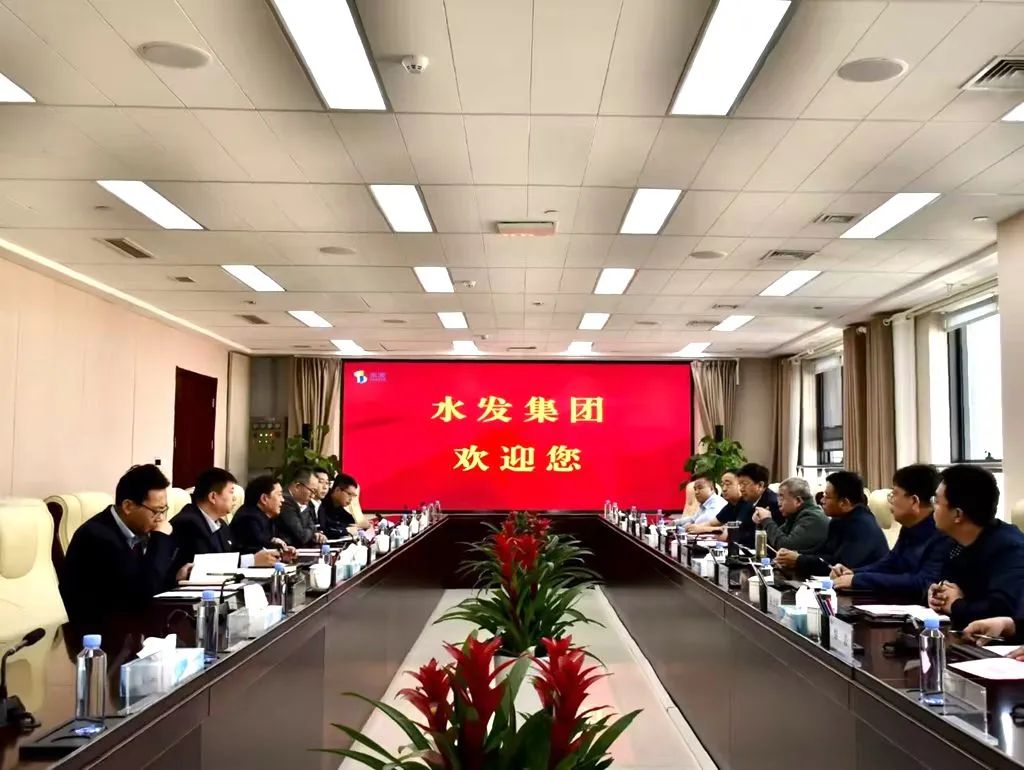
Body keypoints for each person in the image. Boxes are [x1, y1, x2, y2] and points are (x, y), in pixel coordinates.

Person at [60, 464, 189, 626]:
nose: (161, 518)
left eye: (164, 510)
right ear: (128, 506)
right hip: (100, 632)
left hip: (131, 625)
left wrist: (176, 577)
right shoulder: (98, 537)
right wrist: (160, 538)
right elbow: (143, 592)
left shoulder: (136, 531)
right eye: (156, 511)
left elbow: (146, 578)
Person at [830, 464, 951, 597]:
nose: (890, 501)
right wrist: (853, 573)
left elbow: (923, 583)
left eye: (894, 494)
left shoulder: (942, 533)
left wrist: (858, 580)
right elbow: (891, 563)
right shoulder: (909, 526)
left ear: (914, 501)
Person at [927, 465, 1024, 627]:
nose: (932, 508)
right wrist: (935, 594)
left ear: (958, 514)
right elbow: (936, 579)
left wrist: (956, 605)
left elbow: (1002, 611)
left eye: (936, 501)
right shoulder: (951, 540)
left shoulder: (1010, 549)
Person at [775, 471, 889, 578]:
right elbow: (823, 552)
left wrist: (799, 560)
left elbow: (838, 567)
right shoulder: (839, 520)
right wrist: (793, 555)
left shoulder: (862, 527)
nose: (822, 501)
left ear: (844, 503)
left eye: (827, 496)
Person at [172, 468, 279, 570]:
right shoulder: (188, 523)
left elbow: (234, 551)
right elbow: (205, 563)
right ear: (213, 497)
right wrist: (251, 560)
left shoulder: (221, 524)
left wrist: (271, 554)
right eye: (231, 492)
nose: (234, 498)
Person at [753, 477, 828, 553]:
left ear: (798, 501)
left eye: (782, 498)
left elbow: (785, 547)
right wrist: (761, 523)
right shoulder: (794, 516)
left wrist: (767, 520)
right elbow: (769, 544)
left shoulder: (812, 518)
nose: (779, 503)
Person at [230, 476, 296, 559]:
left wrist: (284, 549)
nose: (282, 500)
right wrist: (279, 549)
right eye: (279, 495)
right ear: (264, 498)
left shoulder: (268, 517)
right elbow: (259, 548)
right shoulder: (248, 519)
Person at [684, 470, 748, 535]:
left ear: (740, 485)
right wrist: (695, 527)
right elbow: (711, 523)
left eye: (728, 484)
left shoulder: (747, 504)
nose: (724, 489)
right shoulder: (730, 505)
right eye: (722, 485)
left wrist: (703, 529)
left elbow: (732, 530)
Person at [277, 466, 327, 547]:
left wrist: (317, 534)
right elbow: (302, 536)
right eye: (312, 491)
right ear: (297, 486)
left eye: (315, 492)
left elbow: (312, 527)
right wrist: (313, 531)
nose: (313, 496)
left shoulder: (303, 501)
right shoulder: (284, 501)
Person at [319, 473, 363, 539]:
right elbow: (325, 529)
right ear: (337, 490)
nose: (351, 499)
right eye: (349, 494)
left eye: (353, 496)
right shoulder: (321, 504)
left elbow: (351, 524)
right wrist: (346, 530)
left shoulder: (341, 510)